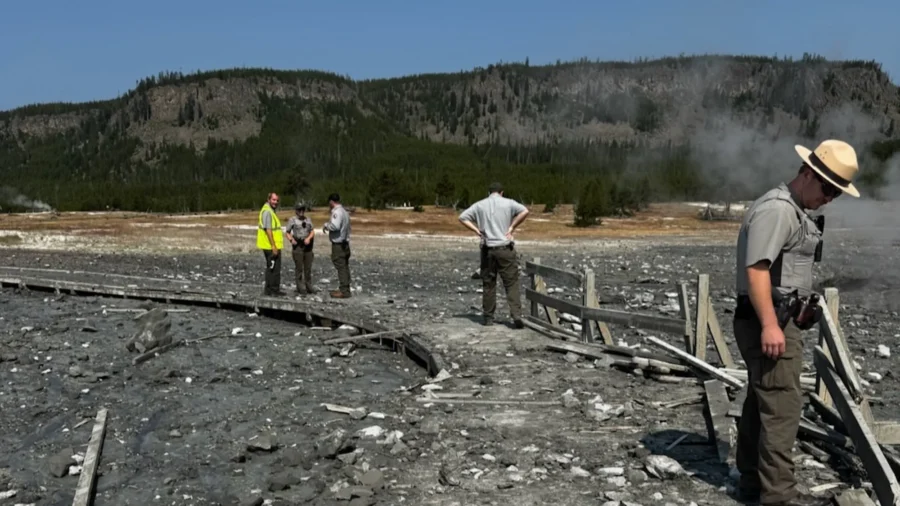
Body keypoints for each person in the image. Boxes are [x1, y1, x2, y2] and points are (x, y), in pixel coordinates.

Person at [732, 139, 860, 506]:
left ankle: (753, 483)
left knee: (763, 400)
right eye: (828, 188)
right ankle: (779, 497)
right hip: (769, 319)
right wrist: (771, 325)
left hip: (773, 316)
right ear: (807, 173)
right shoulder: (778, 210)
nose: (830, 198)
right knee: (783, 406)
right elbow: (757, 270)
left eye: (837, 192)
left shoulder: (792, 210)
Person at [459, 182, 530, 328]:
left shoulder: (479, 205)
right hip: (505, 247)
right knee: (511, 283)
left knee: (489, 284)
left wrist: (477, 230)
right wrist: (512, 227)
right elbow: (525, 211)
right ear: (502, 192)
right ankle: (516, 315)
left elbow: (462, 217)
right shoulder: (509, 203)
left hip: (487, 248)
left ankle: (488, 318)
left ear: (489, 192)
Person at [322, 192, 352, 298]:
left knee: (341, 266)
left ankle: (344, 290)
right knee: (344, 265)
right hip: (345, 243)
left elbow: (335, 226)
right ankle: (346, 287)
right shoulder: (344, 212)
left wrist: (326, 225)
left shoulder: (337, 213)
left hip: (338, 244)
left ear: (331, 201)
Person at [257, 192, 286, 296]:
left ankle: (269, 290)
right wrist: (273, 246)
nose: (276, 202)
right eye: (274, 200)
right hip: (270, 246)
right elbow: (268, 230)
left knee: (271, 267)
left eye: (277, 200)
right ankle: (273, 290)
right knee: (274, 268)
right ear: (268, 199)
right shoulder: (267, 212)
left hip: (270, 245)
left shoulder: (269, 210)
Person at [285, 203, 316, 295]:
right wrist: (291, 239)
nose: (301, 212)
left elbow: (312, 231)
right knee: (299, 267)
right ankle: (300, 287)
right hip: (298, 245)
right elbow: (287, 232)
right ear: (296, 211)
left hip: (308, 246)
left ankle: (309, 286)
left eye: (303, 210)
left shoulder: (308, 219)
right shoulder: (292, 220)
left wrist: (309, 238)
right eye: (299, 210)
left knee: (308, 267)